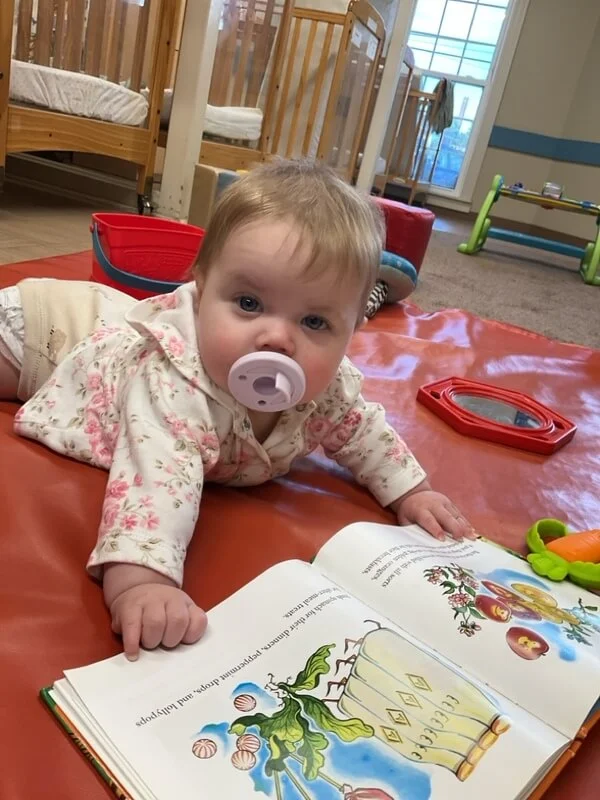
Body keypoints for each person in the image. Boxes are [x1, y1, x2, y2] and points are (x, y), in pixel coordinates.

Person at [0, 159, 474, 661]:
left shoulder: (325, 388)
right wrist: (141, 582)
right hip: (50, 336)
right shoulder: (176, 382)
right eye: (248, 303)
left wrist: (412, 492)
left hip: (100, 326)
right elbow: (156, 477)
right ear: (202, 291)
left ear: (354, 327)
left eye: (315, 320)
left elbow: (364, 431)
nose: (276, 338)